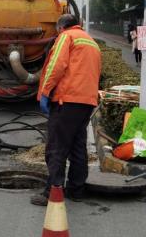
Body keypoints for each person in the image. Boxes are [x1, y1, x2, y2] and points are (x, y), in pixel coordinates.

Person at [31, 14, 102, 206]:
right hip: (86, 102)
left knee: (56, 147)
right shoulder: (91, 42)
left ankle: (52, 193)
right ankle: (76, 190)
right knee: (78, 147)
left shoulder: (66, 37)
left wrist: (45, 92)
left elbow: (56, 65)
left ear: (61, 27)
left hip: (67, 100)